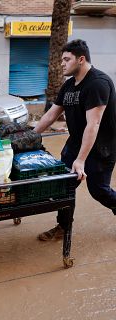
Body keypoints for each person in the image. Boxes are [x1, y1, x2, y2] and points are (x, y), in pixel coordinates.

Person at [34, 39, 116, 240]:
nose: (61, 63)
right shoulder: (69, 85)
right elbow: (50, 115)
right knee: (63, 187)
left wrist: (80, 160)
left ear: (81, 59)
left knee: (99, 191)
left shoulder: (98, 83)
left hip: (101, 148)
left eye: (66, 59)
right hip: (75, 144)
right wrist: (30, 136)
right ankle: (63, 227)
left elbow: (93, 124)